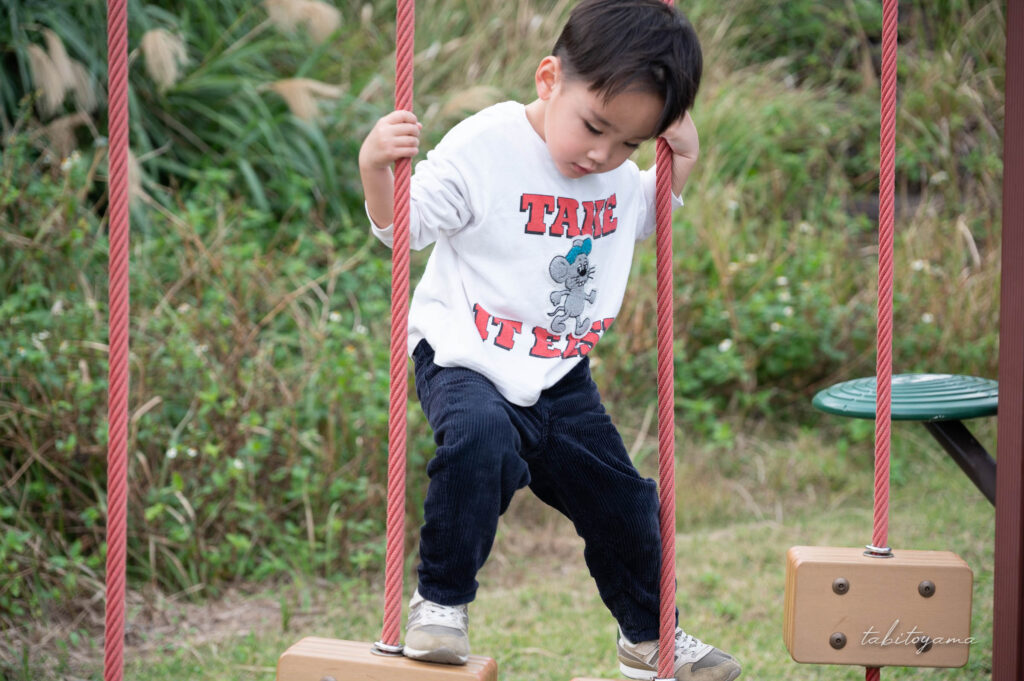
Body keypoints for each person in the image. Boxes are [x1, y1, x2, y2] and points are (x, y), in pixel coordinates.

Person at [358, 1, 740, 679]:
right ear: (548, 79)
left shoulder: (617, 170)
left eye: (628, 142)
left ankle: (649, 635)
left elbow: (645, 219)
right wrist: (376, 170)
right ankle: (440, 602)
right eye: (594, 127)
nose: (603, 153)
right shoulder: (489, 144)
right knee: (481, 440)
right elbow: (405, 229)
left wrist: (677, 165)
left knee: (623, 498)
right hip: (464, 353)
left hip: (558, 373)